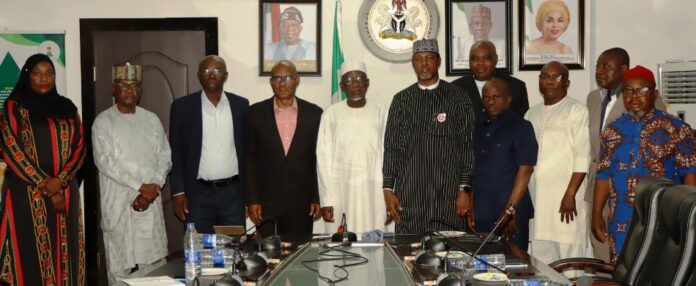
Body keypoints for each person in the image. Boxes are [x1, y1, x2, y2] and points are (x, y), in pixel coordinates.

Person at [592, 65, 696, 263]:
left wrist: (689, 215)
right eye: (628, 90)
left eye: (642, 90)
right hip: (621, 218)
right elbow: (603, 175)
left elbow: (690, 171)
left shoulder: (676, 128)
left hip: (662, 216)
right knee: (622, 269)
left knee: (658, 271)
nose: (634, 96)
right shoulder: (612, 131)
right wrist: (596, 214)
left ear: (654, 92)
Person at [0, 53, 86, 285]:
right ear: (27, 76)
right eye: (37, 73)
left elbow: (79, 149)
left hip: (66, 193)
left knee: (66, 254)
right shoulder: (13, 107)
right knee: (29, 257)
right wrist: (49, 186)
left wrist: (62, 180)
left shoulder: (67, 108)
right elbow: (11, 149)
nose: (43, 78)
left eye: (49, 73)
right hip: (26, 194)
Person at [383, 39, 475, 234]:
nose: (424, 64)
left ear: (439, 61)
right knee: (410, 254)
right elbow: (392, 148)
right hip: (411, 194)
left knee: (448, 255)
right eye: (418, 59)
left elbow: (467, 146)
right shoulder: (401, 100)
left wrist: (464, 189)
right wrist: (388, 190)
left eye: (429, 58)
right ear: (413, 63)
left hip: (448, 194)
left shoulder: (458, 97)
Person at [92, 63, 171, 284]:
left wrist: (152, 188)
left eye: (135, 85)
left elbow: (164, 156)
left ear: (140, 90)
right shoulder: (103, 122)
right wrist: (140, 186)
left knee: (154, 266)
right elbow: (106, 162)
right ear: (113, 89)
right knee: (120, 269)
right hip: (118, 204)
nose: (130, 90)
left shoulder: (151, 120)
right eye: (124, 85)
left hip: (149, 201)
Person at [585, 48, 666, 262]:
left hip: (633, 191)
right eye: (597, 67)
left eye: (606, 66)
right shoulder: (593, 98)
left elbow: (661, 141)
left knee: (636, 256)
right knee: (601, 249)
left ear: (623, 69)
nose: (599, 71)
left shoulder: (642, 97)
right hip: (599, 185)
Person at [169, 55, 249, 234]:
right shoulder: (182, 107)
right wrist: (178, 192)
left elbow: (247, 152)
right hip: (198, 194)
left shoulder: (241, 106)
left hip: (233, 195)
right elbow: (176, 153)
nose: (211, 74)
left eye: (217, 70)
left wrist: (249, 197)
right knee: (199, 253)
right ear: (199, 75)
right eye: (206, 70)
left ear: (225, 75)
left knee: (232, 250)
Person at [246, 60, 322, 242]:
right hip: (266, 203)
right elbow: (250, 158)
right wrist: (252, 199)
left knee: (299, 257)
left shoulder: (314, 113)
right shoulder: (254, 113)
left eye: (287, 77)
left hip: (302, 203)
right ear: (271, 82)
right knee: (269, 256)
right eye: (277, 78)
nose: (282, 82)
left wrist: (317, 197)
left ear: (297, 80)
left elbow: (317, 160)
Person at [525, 61, 590, 264]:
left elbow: (583, 156)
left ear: (567, 82)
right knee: (543, 264)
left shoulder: (576, 111)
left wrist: (570, 194)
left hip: (567, 203)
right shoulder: (531, 114)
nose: (549, 81)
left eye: (556, 77)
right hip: (539, 204)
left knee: (570, 263)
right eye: (544, 77)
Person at [317, 61, 388, 234]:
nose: (355, 83)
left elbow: (390, 154)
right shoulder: (330, 114)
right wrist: (326, 199)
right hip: (339, 190)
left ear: (367, 83)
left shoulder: (381, 112)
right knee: (339, 250)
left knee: (375, 246)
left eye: (359, 78)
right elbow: (323, 158)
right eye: (349, 79)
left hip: (375, 192)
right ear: (341, 86)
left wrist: (389, 197)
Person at [471, 78, 538, 251]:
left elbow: (526, 170)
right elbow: (474, 170)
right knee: (482, 264)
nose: (490, 102)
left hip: (510, 212)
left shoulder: (521, 127)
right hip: (482, 208)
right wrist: (472, 207)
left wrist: (510, 211)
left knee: (512, 264)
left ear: (508, 99)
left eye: (496, 97)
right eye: (486, 98)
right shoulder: (479, 127)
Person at [452, 41, 529, 122]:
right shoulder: (455, 89)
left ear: (496, 59)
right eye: (475, 59)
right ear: (469, 62)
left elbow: (521, 124)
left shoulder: (515, 87)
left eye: (486, 58)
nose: (480, 63)